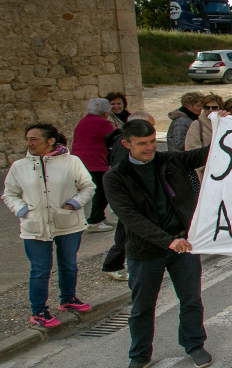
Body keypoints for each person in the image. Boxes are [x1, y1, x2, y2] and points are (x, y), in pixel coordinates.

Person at [104, 118, 218, 368]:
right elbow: (131, 218)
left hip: (183, 246)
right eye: (142, 143)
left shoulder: (170, 161)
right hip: (145, 251)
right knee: (142, 307)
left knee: (190, 299)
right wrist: (167, 240)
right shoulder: (116, 178)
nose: (149, 147)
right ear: (126, 144)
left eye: (153, 141)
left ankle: (194, 345)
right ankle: (140, 357)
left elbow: (208, 152)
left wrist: (226, 125)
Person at [4, 124, 95, 328]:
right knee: (40, 269)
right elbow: (9, 193)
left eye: (34, 139)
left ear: (50, 141)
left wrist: (74, 203)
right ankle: (39, 311)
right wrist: (22, 210)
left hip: (68, 222)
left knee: (69, 264)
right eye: (27, 139)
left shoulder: (72, 162)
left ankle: (68, 299)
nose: (29, 143)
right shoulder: (20, 166)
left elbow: (87, 186)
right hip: (34, 226)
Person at [102, 111, 155, 282]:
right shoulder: (124, 147)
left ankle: (115, 263)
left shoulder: (127, 145)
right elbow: (121, 171)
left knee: (127, 231)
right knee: (126, 232)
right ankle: (113, 264)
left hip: (135, 196)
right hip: (129, 198)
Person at [73, 98, 117, 232]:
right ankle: (94, 220)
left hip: (80, 159)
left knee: (98, 188)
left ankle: (100, 217)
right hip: (94, 160)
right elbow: (115, 137)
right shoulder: (102, 123)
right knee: (103, 189)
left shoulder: (83, 121)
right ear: (105, 112)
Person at [184, 95, 223, 184]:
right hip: (205, 174)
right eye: (207, 107)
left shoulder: (224, 123)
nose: (210, 110)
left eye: (214, 107)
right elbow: (192, 152)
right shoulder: (197, 125)